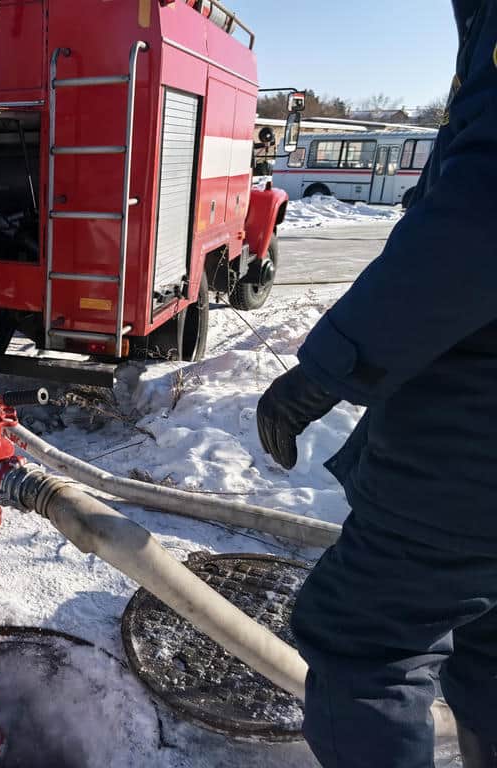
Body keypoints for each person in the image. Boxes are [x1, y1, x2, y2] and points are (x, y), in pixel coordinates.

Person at [256, 3, 497, 766]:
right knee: (486, 641)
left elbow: (480, 217)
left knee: (366, 644)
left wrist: (330, 367)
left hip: (473, 439)